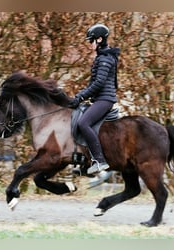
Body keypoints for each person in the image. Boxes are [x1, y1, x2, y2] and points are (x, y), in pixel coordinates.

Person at [69, 23, 120, 175]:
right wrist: (80, 96)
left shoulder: (105, 58)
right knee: (76, 116)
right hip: (99, 97)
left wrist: (82, 96)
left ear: (99, 39)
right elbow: (94, 83)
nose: (89, 44)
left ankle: (99, 160)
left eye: (91, 41)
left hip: (105, 99)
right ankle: (81, 160)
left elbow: (99, 83)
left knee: (84, 122)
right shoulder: (102, 57)